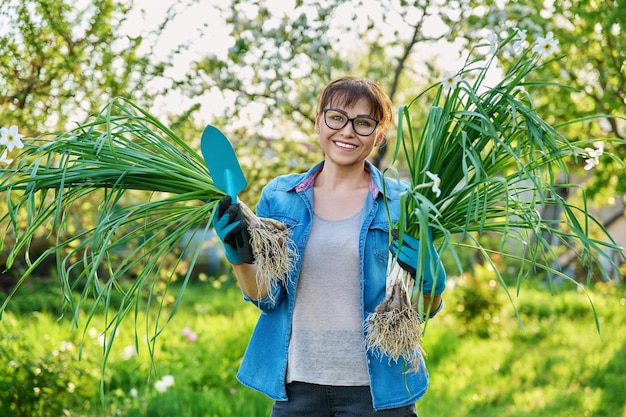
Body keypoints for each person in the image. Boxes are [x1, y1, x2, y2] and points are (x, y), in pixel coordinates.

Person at [213, 76, 446, 416]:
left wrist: (432, 286)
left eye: (364, 123)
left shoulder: (404, 204)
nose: (348, 131)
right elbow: (267, 297)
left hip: (378, 390)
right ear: (319, 121)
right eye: (337, 117)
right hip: (298, 389)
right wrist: (239, 256)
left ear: (378, 136)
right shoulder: (279, 197)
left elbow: (416, 313)